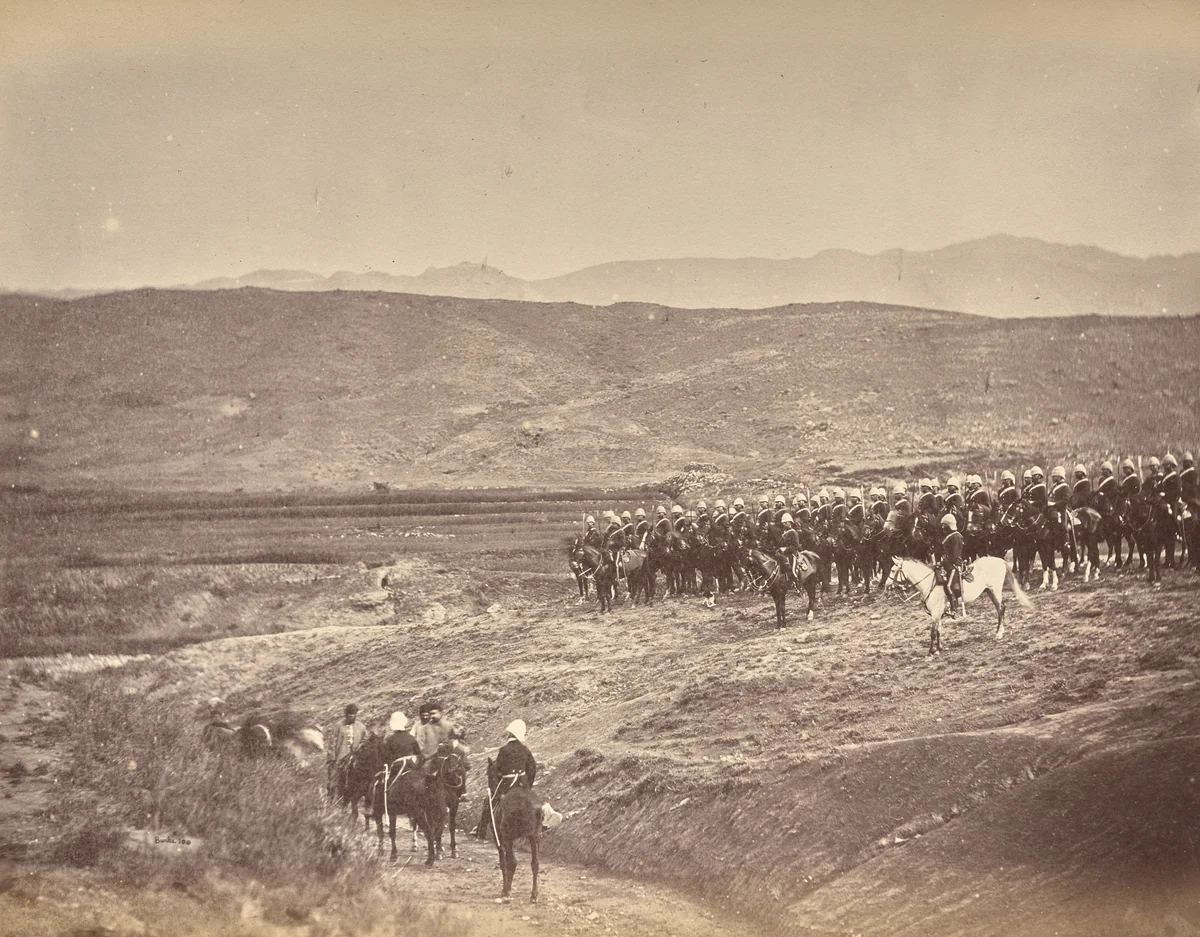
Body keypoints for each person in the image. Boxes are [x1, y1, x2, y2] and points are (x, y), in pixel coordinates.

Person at [938, 513, 964, 618]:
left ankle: (954, 610)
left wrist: (943, 562)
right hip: (948, 564)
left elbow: (954, 555)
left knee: (948, 586)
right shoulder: (949, 536)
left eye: (944, 525)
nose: (943, 528)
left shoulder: (957, 537)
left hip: (954, 565)